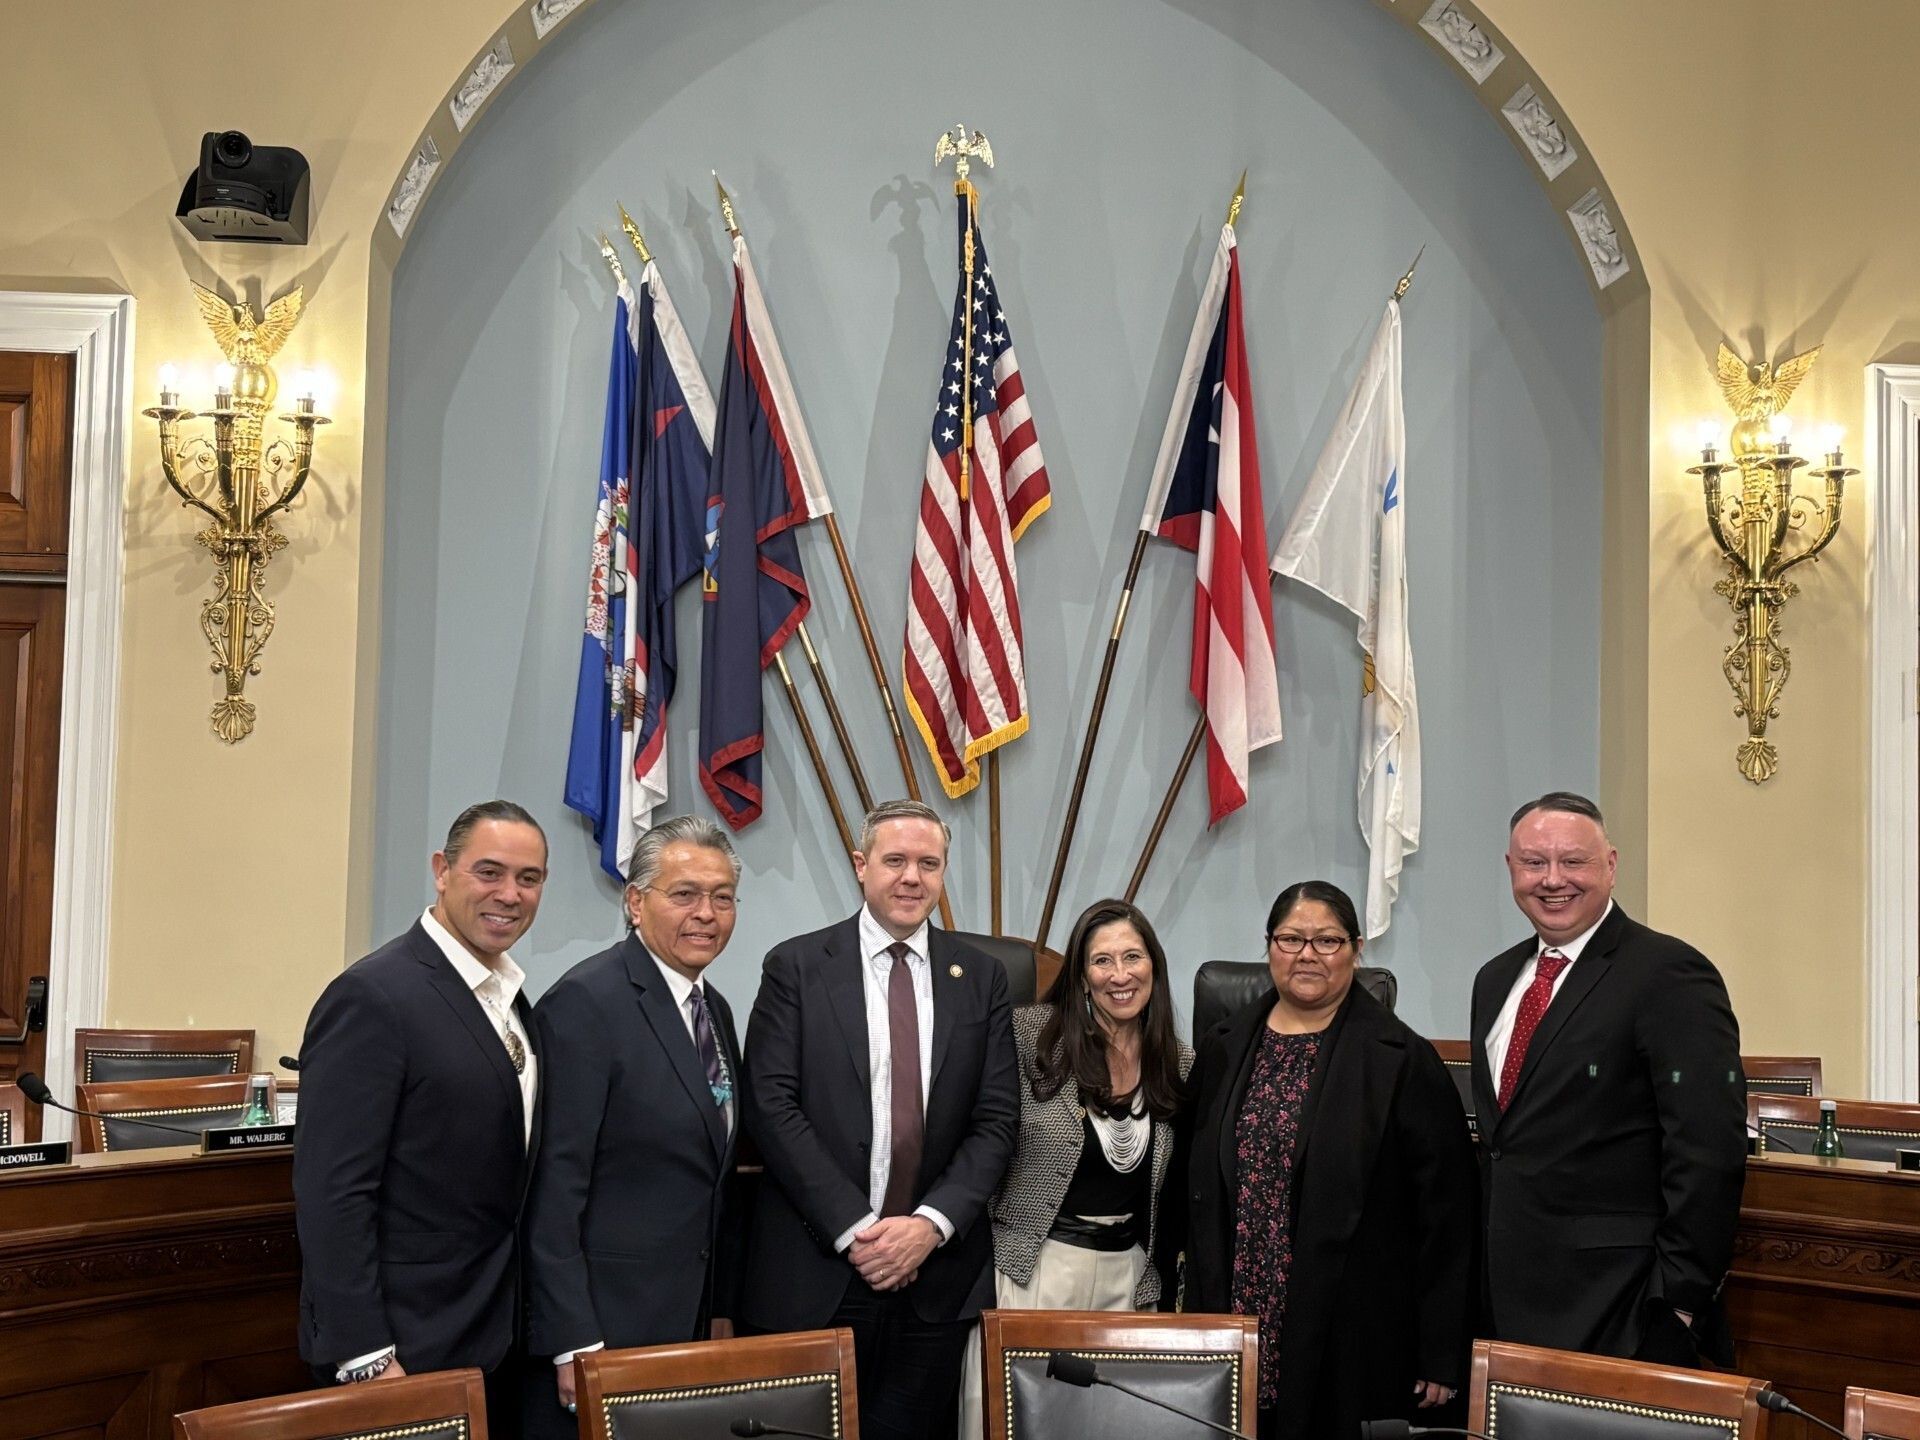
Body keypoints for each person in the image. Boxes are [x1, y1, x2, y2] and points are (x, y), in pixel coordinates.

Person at [742, 799, 1018, 1440]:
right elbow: (772, 1107)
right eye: (895, 861)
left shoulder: (981, 977)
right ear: (862, 866)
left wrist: (928, 1226)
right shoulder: (798, 967)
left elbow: (997, 1121)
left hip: (936, 1278)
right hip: (819, 1271)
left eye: (929, 863)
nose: (911, 878)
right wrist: (860, 1231)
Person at [1184, 880, 1477, 1440]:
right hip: (1236, 1308)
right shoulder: (1224, 1046)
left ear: (1357, 949)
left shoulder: (1402, 1060)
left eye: (1327, 940)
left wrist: (1440, 1351)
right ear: (1269, 946)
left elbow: (1447, 1218)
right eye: (1291, 939)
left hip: (1351, 1322)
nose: (1307, 955)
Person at [292, 800, 547, 1434]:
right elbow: (332, 1191)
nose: (509, 895)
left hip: (493, 1335)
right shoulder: (374, 995)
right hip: (402, 1347)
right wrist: (366, 1356)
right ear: (441, 869)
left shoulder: (513, 999)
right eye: (489, 872)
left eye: (529, 878)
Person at [1472, 791, 1746, 1364]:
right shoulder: (1495, 980)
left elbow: (1708, 1151)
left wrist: (1678, 1301)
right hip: (1507, 1302)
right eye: (1533, 863)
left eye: (1573, 862)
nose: (1552, 880)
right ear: (1510, 869)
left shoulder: (1669, 973)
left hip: (1623, 1306)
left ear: (1611, 866)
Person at [522, 816, 748, 1436]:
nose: (707, 913)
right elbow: (553, 1187)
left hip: (683, 1324)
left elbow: (713, 1175)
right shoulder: (586, 1004)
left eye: (723, 897)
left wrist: (719, 1310)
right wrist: (573, 1341)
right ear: (635, 902)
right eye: (685, 894)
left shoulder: (715, 1009)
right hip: (604, 1330)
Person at [959, 898, 1193, 1440]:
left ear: (1154, 968)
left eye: (1132, 958)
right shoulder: (1028, 1037)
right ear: (1081, 976)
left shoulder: (1178, 1063)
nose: (1120, 976)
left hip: (1131, 1280)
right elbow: (978, 1139)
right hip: (1036, 1271)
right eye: (1102, 961)